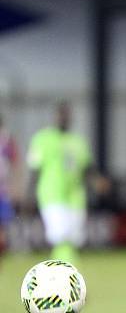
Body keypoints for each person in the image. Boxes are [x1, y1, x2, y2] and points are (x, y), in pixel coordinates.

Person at [27, 103, 94, 266]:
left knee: (73, 239)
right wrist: (29, 194)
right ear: (55, 116)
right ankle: (66, 275)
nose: (64, 118)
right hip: (51, 194)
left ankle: (65, 277)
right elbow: (35, 169)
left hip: (76, 196)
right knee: (60, 236)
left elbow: (87, 169)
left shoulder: (78, 142)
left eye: (67, 115)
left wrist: (97, 182)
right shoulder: (42, 139)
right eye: (61, 114)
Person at [0, 115, 19, 260]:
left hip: (2, 190)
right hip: (3, 189)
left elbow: (14, 162)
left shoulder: (6, 139)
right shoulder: (7, 139)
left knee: (3, 227)